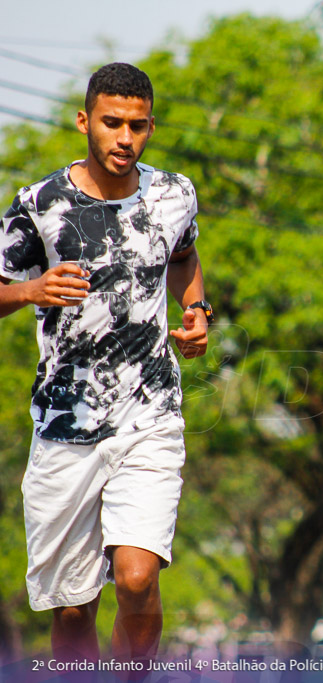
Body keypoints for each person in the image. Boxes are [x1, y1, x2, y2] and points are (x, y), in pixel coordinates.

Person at [0, 62, 213, 663]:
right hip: (65, 426)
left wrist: (198, 311)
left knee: (138, 579)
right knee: (72, 608)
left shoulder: (174, 195)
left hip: (150, 416)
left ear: (151, 127)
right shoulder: (38, 203)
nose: (124, 138)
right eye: (111, 123)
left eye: (138, 126)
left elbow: (184, 256)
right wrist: (30, 291)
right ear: (84, 121)